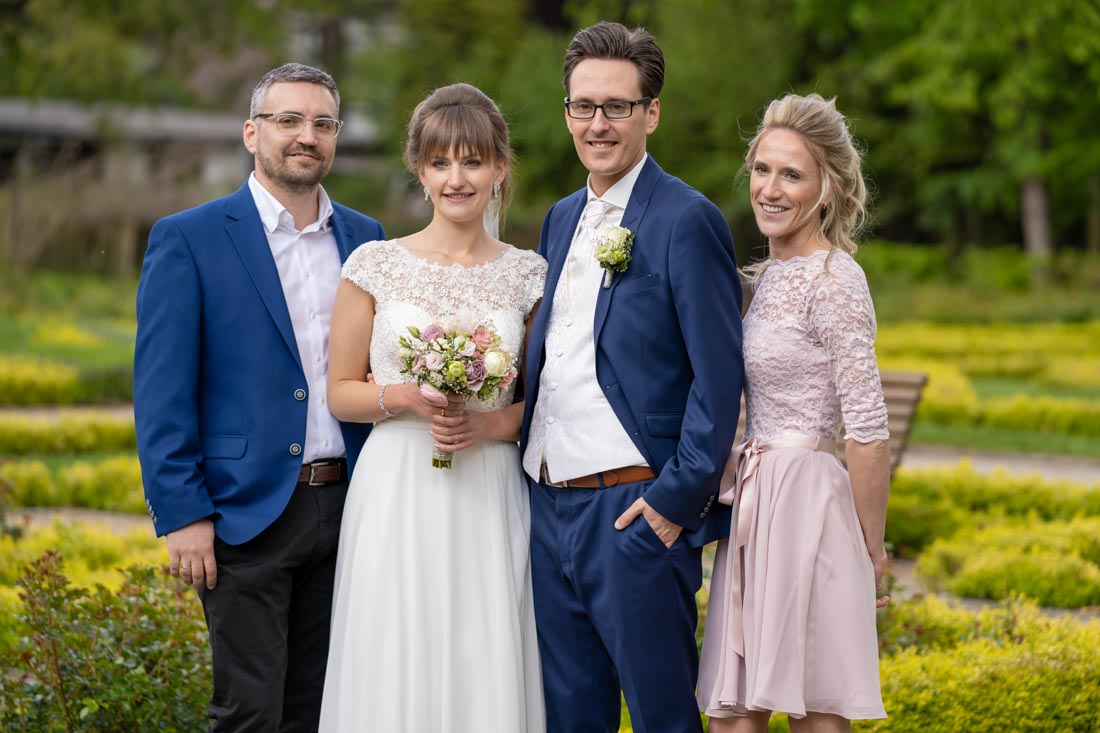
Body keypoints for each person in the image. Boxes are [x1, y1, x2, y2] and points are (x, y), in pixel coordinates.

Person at [134, 63, 385, 731]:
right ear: (252, 133)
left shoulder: (369, 240)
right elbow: (161, 392)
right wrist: (181, 512)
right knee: (248, 711)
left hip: (353, 508)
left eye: (323, 123)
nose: (307, 135)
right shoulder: (188, 238)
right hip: (246, 513)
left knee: (323, 708)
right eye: (289, 120)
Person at [519, 21, 744, 733]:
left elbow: (719, 377)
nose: (598, 123)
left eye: (617, 106)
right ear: (566, 113)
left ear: (651, 112)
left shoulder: (687, 220)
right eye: (584, 106)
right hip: (547, 508)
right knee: (569, 719)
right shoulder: (560, 218)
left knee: (660, 719)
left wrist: (674, 502)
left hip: (634, 512)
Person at [317, 82, 547, 732]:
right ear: (420, 170)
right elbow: (341, 390)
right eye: (441, 162)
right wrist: (405, 396)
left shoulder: (530, 276)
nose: (457, 178)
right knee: (394, 643)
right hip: (396, 485)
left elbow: (549, 402)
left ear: (500, 168)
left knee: (484, 642)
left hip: (490, 484)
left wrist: (490, 423)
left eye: (473, 161)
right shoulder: (375, 265)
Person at [696, 93, 891, 732]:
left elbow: (866, 426)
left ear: (829, 188)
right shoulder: (768, 276)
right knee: (733, 712)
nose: (769, 189)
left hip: (809, 503)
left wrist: (872, 547)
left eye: (792, 174)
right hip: (755, 502)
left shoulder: (836, 279)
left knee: (815, 711)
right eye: (761, 169)